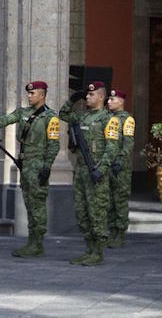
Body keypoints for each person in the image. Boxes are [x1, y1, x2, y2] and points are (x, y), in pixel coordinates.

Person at [0, 81, 60, 257]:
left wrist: (47, 166)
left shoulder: (50, 117)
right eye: (28, 94)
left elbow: (53, 145)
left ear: (42, 95)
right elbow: (3, 121)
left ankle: (38, 243)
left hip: (38, 166)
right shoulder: (22, 112)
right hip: (25, 164)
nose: (29, 96)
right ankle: (32, 241)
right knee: (29, 204)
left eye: (33, 93)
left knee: (38, 205)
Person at [60, 81, 120, 266]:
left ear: (101, 97)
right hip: (81, 172)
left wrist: (101, 170)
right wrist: (72, 100)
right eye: (86, 95)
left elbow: (111, 147)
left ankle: (98, 251)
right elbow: (62, 114)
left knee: (97, 212)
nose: (87, 97)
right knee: (82, 212)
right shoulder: (82, 117)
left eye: (91, 95)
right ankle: (89, 249)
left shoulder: (109, 119)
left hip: (96, 173)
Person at [106, 89, 135, 248]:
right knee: (108, 201)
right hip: (107, 165)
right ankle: (112, 231)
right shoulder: (107, 118)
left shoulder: (127, 120)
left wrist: (120, 160)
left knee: (120, 200)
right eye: (109, 99)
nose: (109, 102)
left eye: (112, 99)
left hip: (120, 167)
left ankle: (120, 233)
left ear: (121, 102)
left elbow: (128, 143)